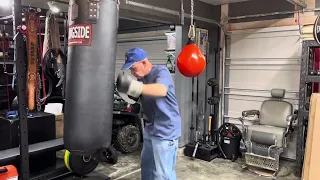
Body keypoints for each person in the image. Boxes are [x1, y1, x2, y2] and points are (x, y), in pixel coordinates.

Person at [116, 47, 181, 180]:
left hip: (165, 131)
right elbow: (139, 97)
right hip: (151, 130)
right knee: (147, 170)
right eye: (131, 70)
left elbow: (161, 90)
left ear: (144, 63)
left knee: (164, 175)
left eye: (134, 68)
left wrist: (134, 87)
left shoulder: (161, 71)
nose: (133, 73)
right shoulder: (142, 79)